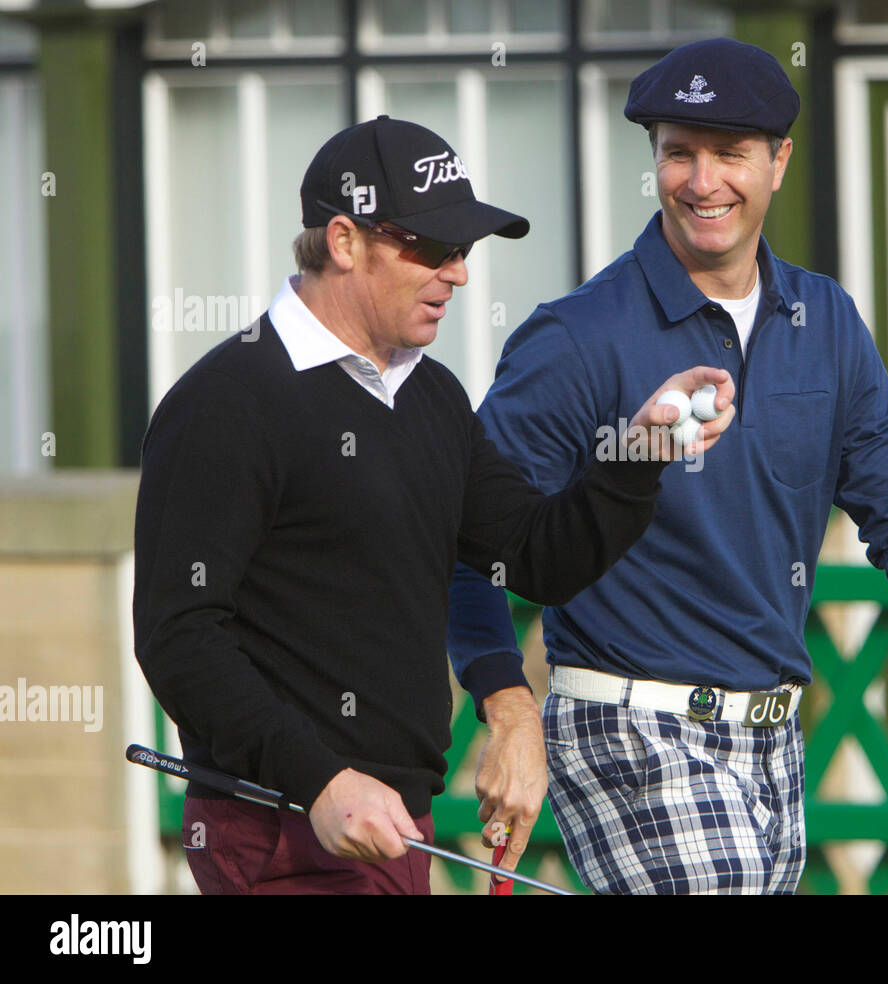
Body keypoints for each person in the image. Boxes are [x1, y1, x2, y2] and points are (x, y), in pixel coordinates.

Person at [447, 38, 888, 895]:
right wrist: (510, 706)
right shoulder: (577, 337)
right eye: (679, 152)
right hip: (629, 730)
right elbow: (470, 535)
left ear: (779, 161)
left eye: (729, 154)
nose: (702, 181)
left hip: (775, 743)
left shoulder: (824, 321)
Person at [132, 115, 736, 894]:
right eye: (432, 247)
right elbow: (180, 635)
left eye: (465, 251)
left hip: (395, 827)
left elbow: (534, 556)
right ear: (344, 241)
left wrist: (639, 451)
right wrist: (319, 780)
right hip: (284, 830)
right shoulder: (225, 403)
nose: (457, 272)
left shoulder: (431, 396)